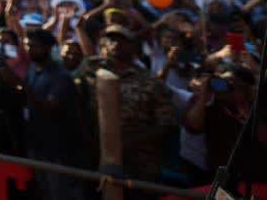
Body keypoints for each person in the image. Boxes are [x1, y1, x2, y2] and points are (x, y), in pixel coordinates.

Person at [76, 22, 176, 184]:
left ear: (132, 46)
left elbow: (167, 124)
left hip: (139, 163)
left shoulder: (148, 82)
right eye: (110, 40)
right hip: (96, 157)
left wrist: (129, 142)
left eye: (121, 40)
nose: (115, 44)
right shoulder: (91, 72)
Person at [22, 29, 84, 200]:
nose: (29, 50)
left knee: (59, 193)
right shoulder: (32, 69)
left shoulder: (60, 76)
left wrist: (22, 85)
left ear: (48, 48)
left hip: (58, 149)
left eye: (34, 46)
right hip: (37, 144)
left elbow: (48, 106)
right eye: (28, 45)